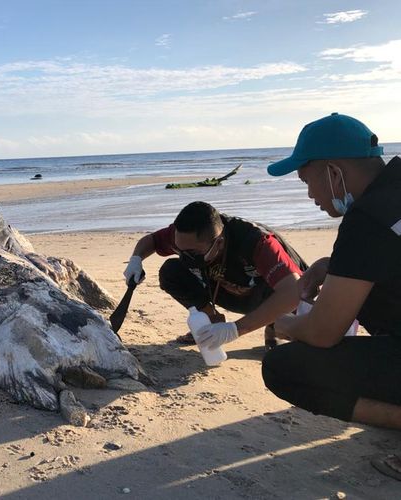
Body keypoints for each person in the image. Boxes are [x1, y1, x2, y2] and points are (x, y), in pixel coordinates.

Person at [262, 112, 401, 480]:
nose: (310, 195)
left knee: (285, 367)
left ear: (333, 171)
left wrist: (284, 324)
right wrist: (332, 265)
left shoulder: (367, 219)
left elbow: (324, 333)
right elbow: (386, 258)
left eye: (308, 180)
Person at [123, 201, 306, 349]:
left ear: (219, 243)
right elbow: (152, 240)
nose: (185, 256)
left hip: (270, 296)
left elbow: (293, 291)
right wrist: (136, 260)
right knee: (171, 271)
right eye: (180, 250)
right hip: (225, 288)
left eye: (193, 253)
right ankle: (211, 322)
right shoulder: (184, 238)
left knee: (302, 327)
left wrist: (235, 329)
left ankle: (274, 325)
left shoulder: (255, 241)